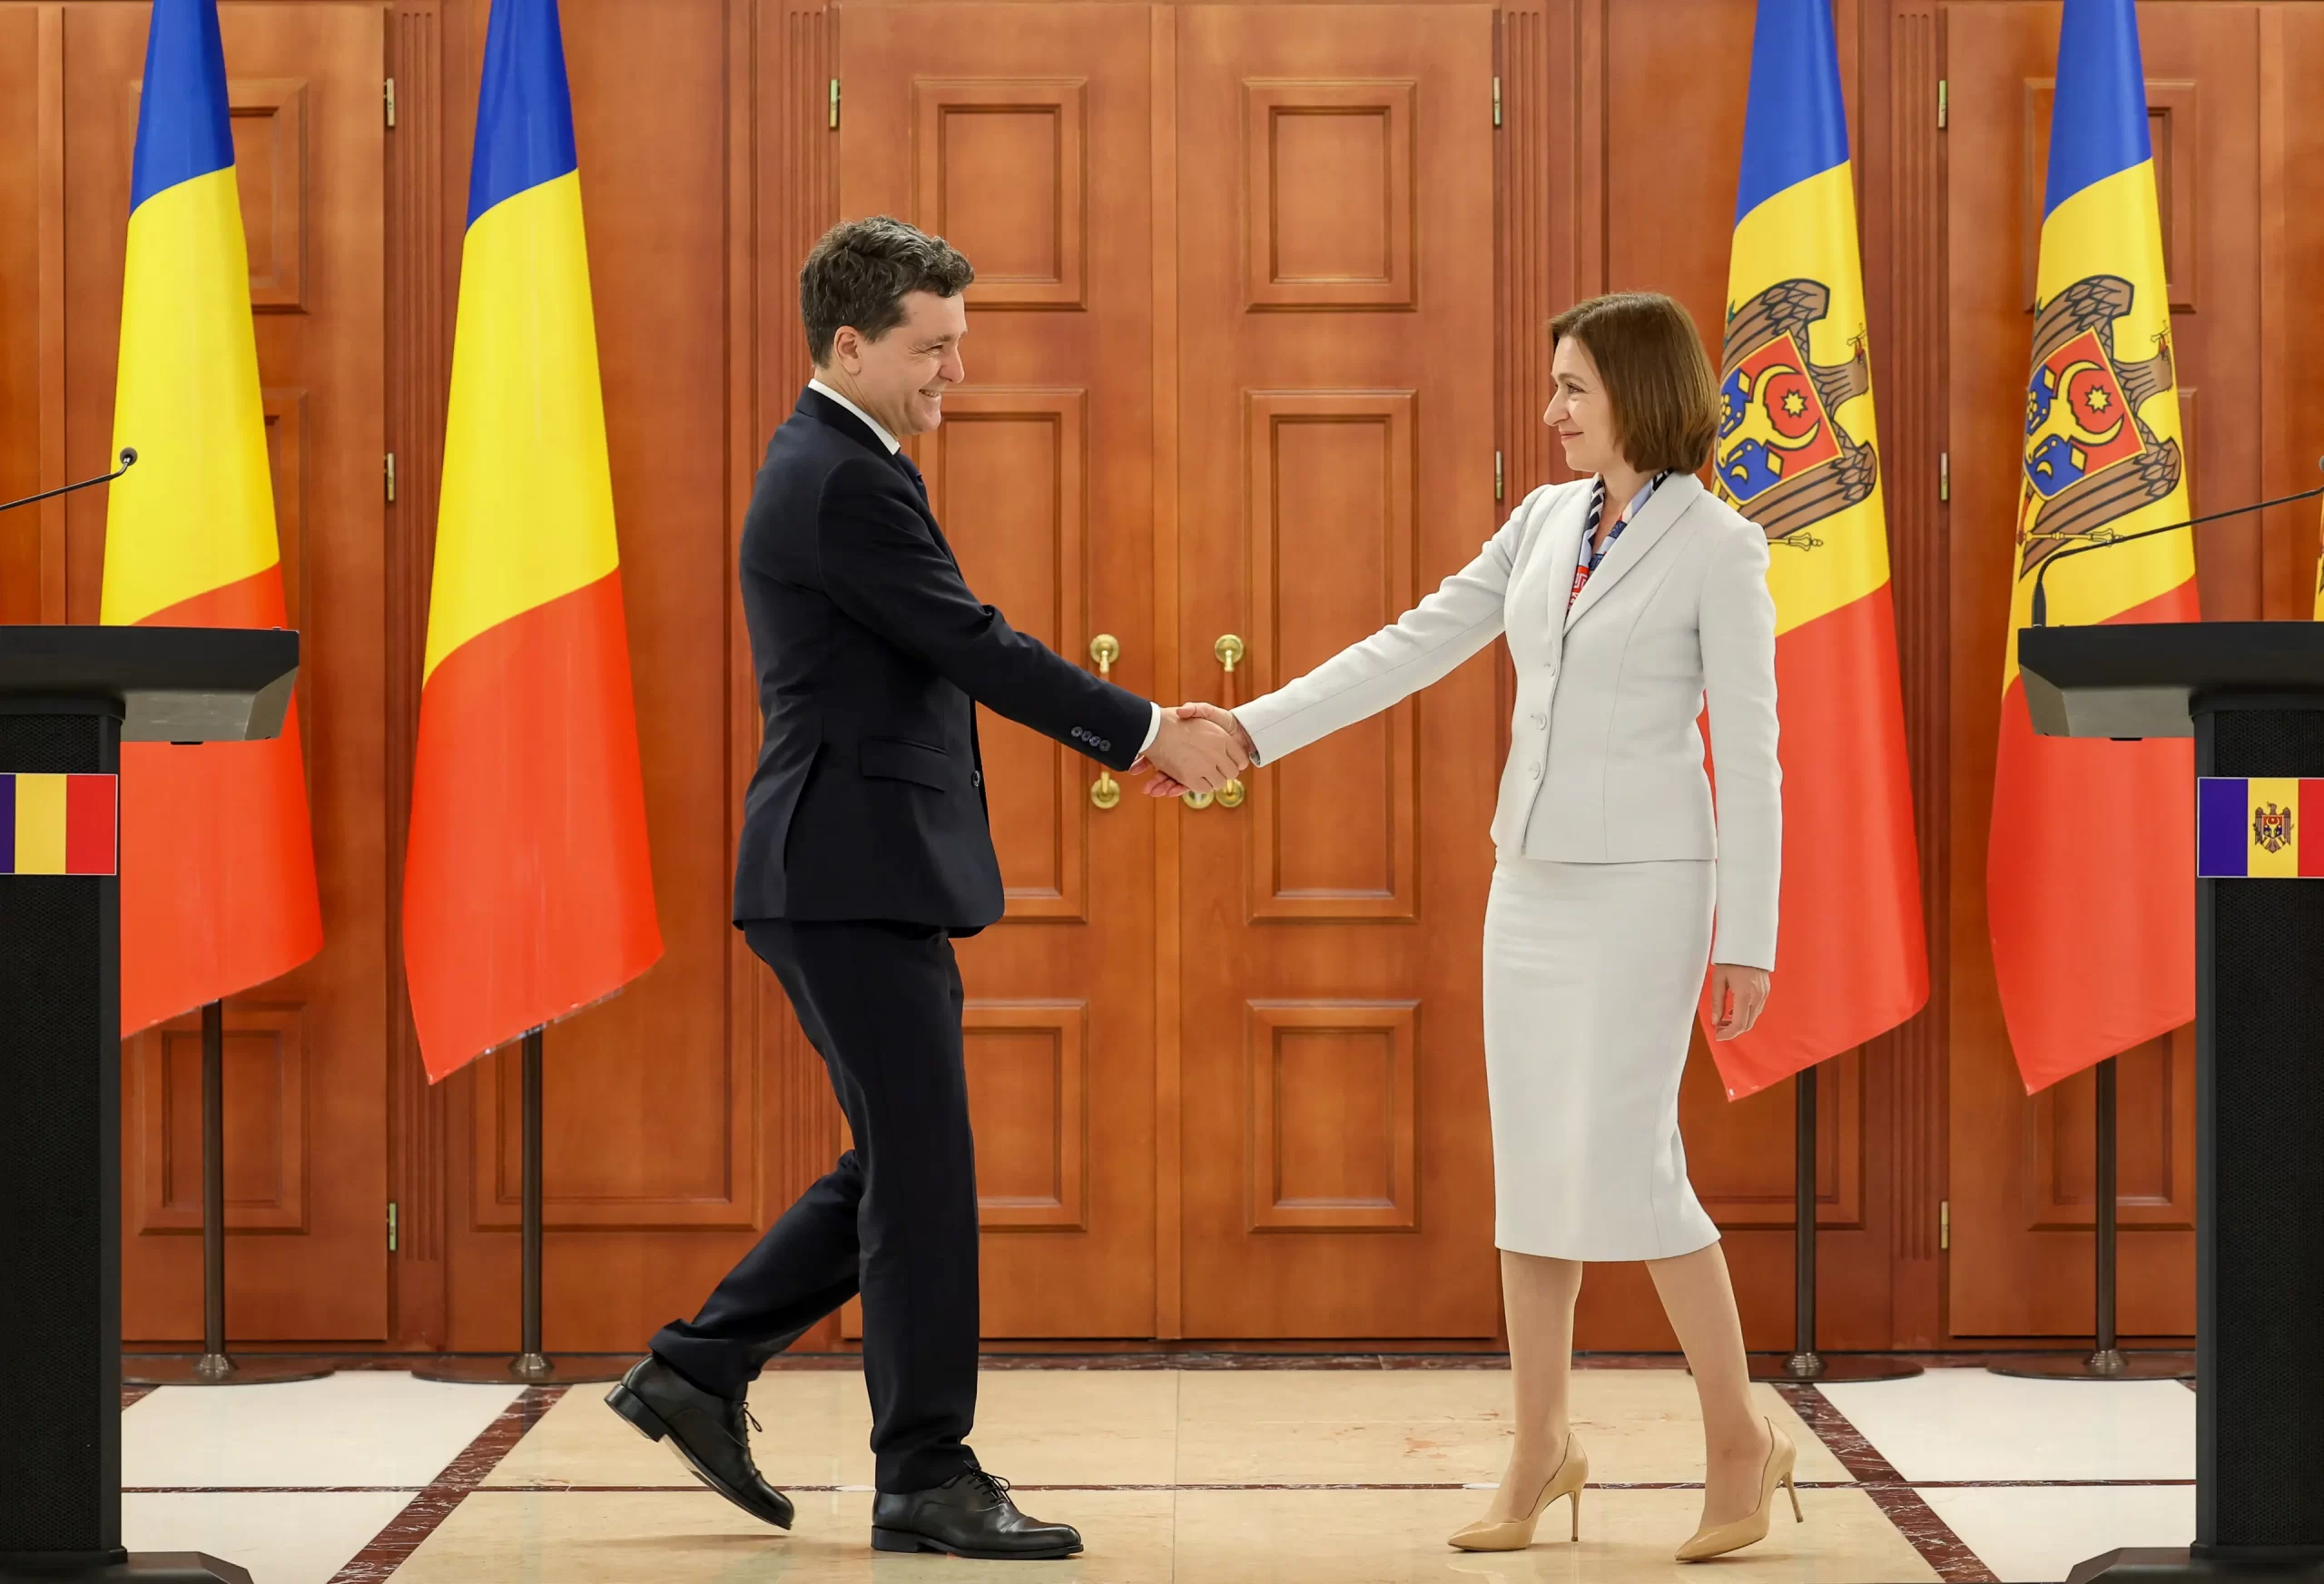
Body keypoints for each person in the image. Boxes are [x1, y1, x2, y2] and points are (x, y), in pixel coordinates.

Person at [606, 215, 1246, 1561]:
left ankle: (699, 1367)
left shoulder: (848, 462)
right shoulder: (839, 478)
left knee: (901, 1165)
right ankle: (924, 1475)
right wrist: (1145, 733)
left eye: (959, 343)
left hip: (856, 870)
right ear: (851, 345)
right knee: (925, 1180)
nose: (958, 370)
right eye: (934, 347)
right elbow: (973, 644)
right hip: (844, 871)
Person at [1158, 291, 1794, 1563]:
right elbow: (1408, 646)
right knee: (1536, 1169)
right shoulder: (1545, 522)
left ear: (1638, 393)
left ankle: (1738, 1440)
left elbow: (1754, 752)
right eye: (1555, 384)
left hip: (1650, 888)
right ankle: (1539, 1448)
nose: (1551, 410)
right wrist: (1248, 734)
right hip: (1532, 884)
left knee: (1635, 1165)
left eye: (1573, 387)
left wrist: (1751, 934)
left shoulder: (1720, 547)